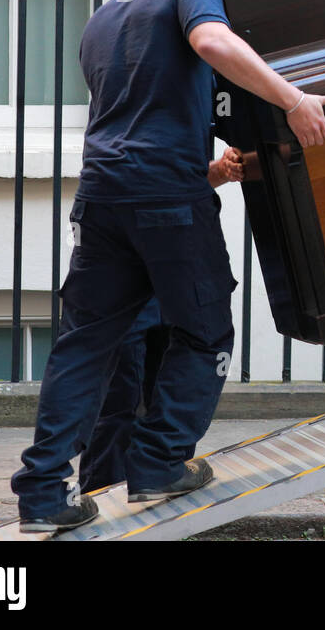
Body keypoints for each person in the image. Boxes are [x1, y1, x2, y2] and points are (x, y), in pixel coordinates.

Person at [12, 0, 325, 533]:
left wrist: (210, 170)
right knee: (206, 329)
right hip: (165, 199)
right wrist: (294, 101)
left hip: (103, 198)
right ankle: (161, 460)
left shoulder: (99, 24)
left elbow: (142, 114)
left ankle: (42, 493)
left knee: (83, 343)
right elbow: (214, 46)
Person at [77, 148, 243, 496]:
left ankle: (160, 478)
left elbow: (176, 180)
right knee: (119, 400)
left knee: (163, 387)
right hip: (136, 271)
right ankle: (107, 495)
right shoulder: (141, 108)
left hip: (171, 273)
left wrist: (216, 172)